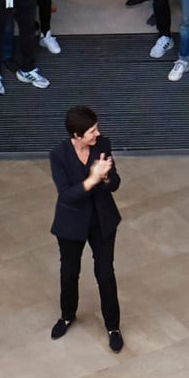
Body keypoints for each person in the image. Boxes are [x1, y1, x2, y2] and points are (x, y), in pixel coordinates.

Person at [48, 104, 121, 353]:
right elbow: (66, 195)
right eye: (91, 131)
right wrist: (91, 180)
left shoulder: (102, 145)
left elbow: (115, 183)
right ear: (76, 135)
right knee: (69, 272)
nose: (97, 134)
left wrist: (107, 176)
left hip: (102, 221)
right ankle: (67, 315)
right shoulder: (58, 155)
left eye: (96, 128)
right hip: (71, 224)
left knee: (105, 273)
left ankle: (113, 326)